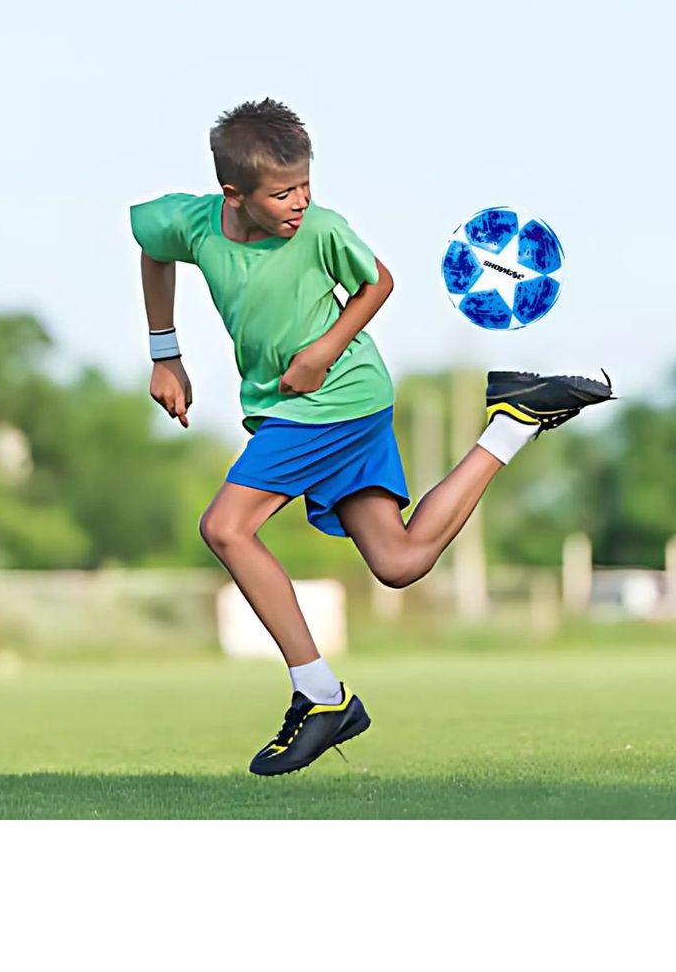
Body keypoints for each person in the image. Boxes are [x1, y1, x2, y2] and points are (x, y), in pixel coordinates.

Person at [130, 98, 613, 776]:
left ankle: (319, 696)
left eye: (305, 184)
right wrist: (165, 352)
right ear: (233, 195)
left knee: (226, 527)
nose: (300, 201)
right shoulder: (191, 222)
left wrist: (322, 352)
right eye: (282, 193)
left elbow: (377, 282)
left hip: (331, 398)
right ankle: (512, 424)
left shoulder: (321, 229)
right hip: (318, 405)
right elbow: (152, 249)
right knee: (400, 561)